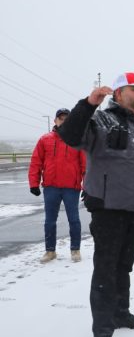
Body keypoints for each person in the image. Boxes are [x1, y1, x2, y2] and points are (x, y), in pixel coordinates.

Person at [57, 72, 134, 337]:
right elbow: (68, 135)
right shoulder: (100, 121)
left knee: (124, 266)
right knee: (106, 270)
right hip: (107, 209)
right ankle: (102, 332)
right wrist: (88, 104)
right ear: (118, 93)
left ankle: (121, 313)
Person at [28, 108, 86, 264]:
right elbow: (36, 162)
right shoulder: (44, 140)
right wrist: (34, 183)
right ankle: (50, 251)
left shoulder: (77, 140)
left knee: (74, 220)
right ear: (55, 121)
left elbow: (85, 166)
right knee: (50, 221)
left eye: (67, 119)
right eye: (61, 118)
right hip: (51, 187)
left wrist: (87, 186)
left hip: (71, 188)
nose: (63, 121)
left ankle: (75, 250)